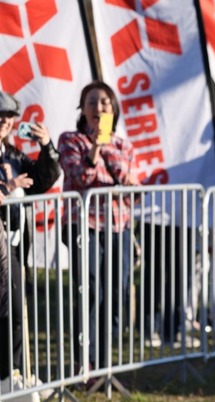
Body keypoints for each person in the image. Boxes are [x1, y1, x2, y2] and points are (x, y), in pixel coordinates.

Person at [58, 81, 140, 376]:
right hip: (85, 225)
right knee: (91, 290)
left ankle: (105, 361)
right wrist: (95, 148)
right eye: (92, 102)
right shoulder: (70, 140)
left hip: (119, 226)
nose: (99, 107)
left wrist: (132, 184)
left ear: (114, 109)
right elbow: (79, 177)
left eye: (105, 102)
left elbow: (134, 192)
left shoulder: (125, 146)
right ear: (82, 109)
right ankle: (86, 361)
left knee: (116, 292)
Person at [0, 91, 62, 257]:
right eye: (0, 113)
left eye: (10, 115)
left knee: (18, 282)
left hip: (14, 243)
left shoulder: (13, 155)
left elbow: (41, 180)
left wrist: (47, 146)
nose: (5, 120)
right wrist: (10, 186)